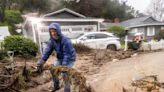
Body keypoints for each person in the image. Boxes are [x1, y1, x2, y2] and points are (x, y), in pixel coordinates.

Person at [36, 23, 76, 92]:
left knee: (65, 74)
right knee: (53, 70)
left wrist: (64, 66)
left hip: (70, 59)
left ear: (58, 31)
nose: (53, 33)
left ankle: (67, 90)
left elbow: (67, 54)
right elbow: (47, 51)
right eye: (51, 31)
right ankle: (56, 86)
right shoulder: (52, 41)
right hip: (60, 58)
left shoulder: (66, 40)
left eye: (54, 31)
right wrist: (41, 61)